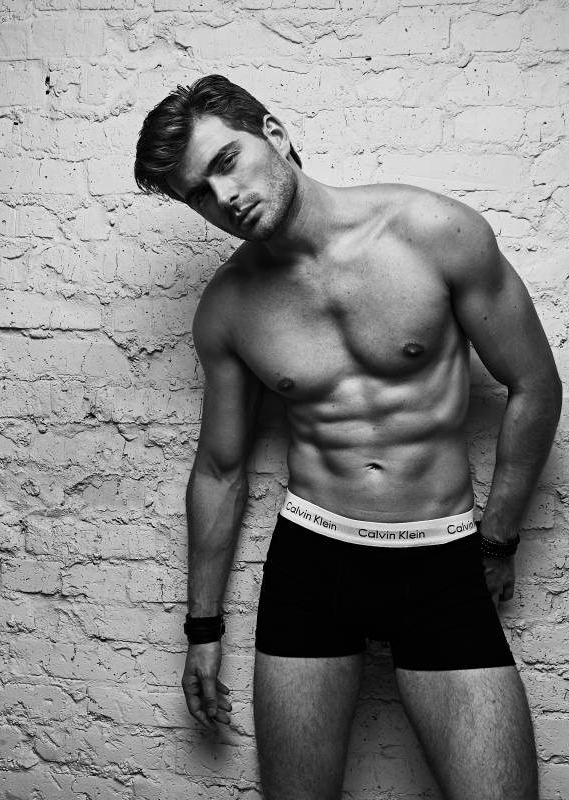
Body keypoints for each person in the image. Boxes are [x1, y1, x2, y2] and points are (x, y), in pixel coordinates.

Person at [134, 74, 562, 800]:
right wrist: (202, 630)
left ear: (274, 134)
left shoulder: (435, 232)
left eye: (226, 162)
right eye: (199, 194)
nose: (225, 197)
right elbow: (219, 469)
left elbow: (535, 385)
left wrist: (497, 540)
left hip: (440, 558)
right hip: (314, 562)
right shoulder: (229, 307)